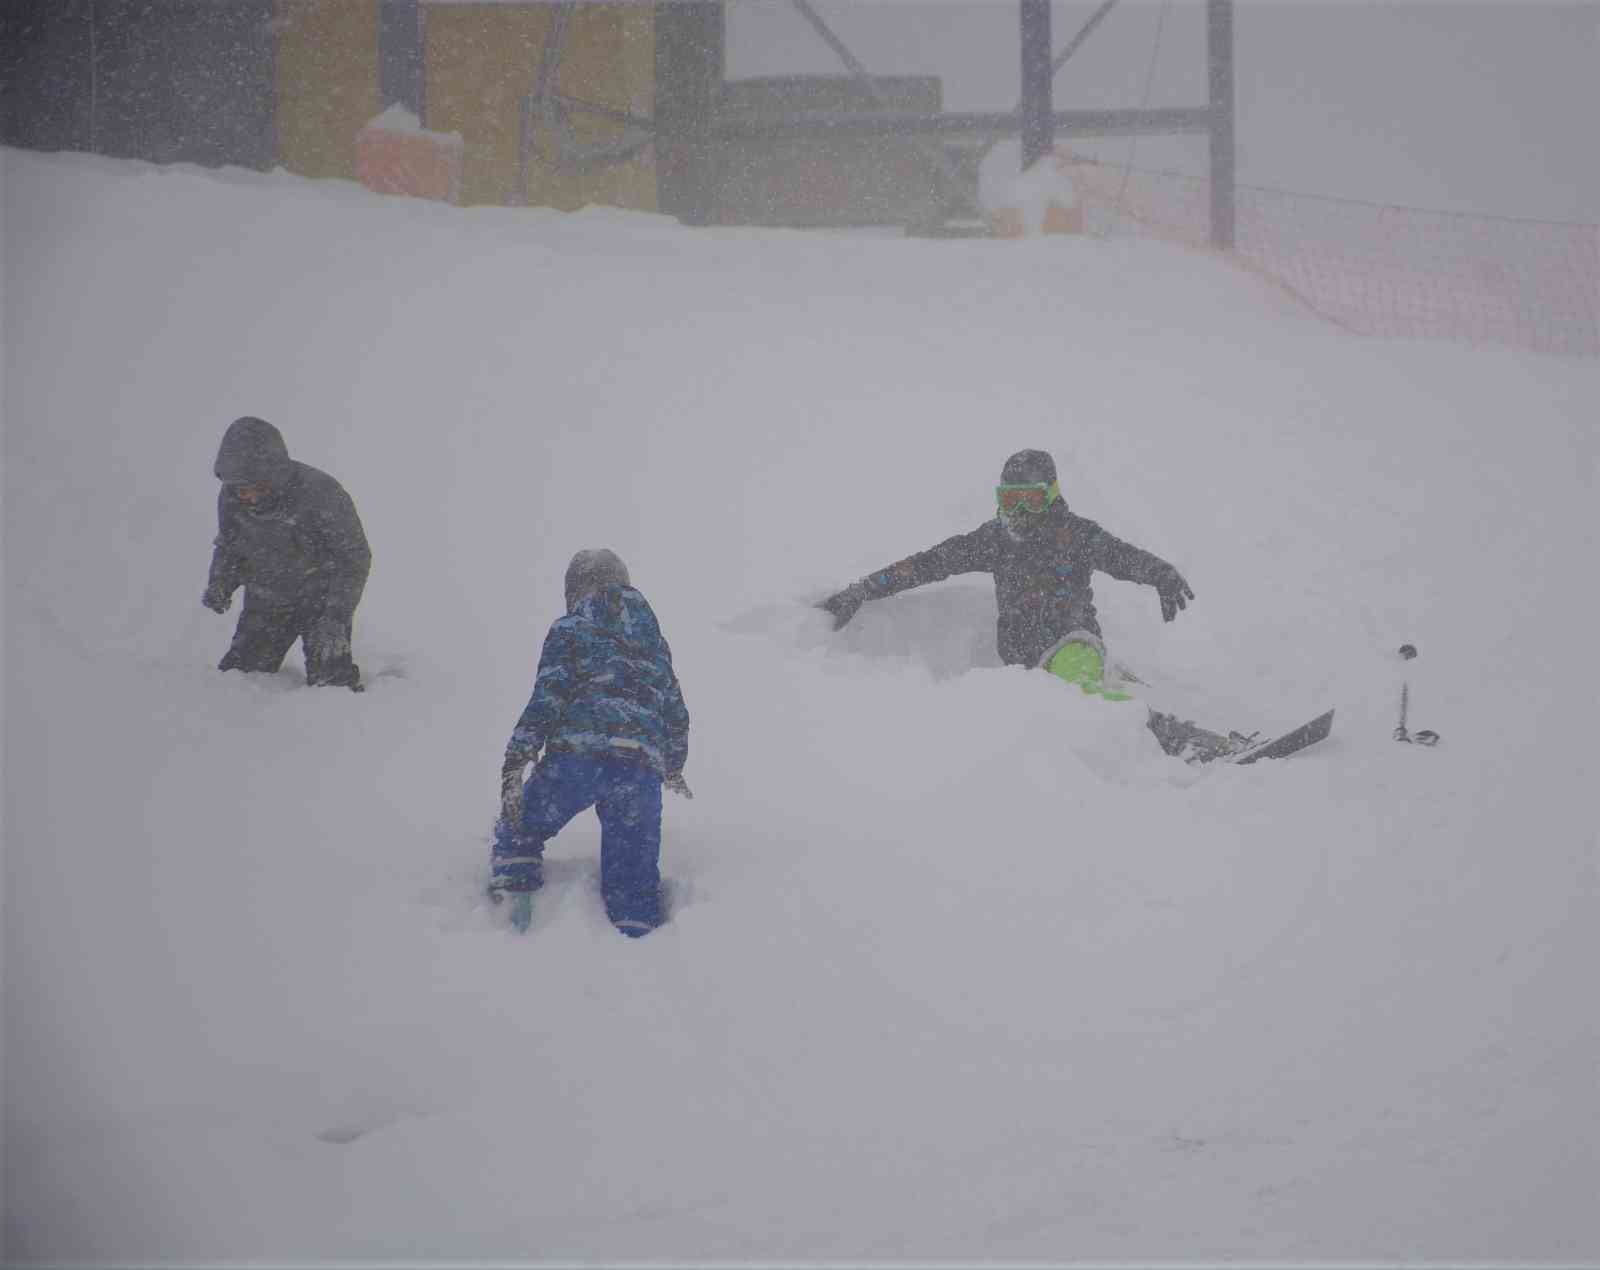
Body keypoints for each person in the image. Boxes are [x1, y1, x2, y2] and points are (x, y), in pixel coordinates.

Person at [819, 448, 1193, 700]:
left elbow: (1122, 556)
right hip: (1023, 661)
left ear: (1050, 494)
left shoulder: (1076, 535)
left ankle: (1179, 743)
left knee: (1097, 705)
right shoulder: (995, 540)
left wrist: (1160, 573)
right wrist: (866, 588)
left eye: (1029, 499)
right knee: (1092, 704)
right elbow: (928, 563)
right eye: (1010, 500)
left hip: (1074, 643)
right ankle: (1129, 703)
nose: (1020, 511)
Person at [491, 549, 692, 937]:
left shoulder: (569, 629)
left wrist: (517, 756)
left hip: (576, 759)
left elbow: (547, 697)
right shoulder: (653, 643)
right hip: (638, 770)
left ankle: (511, 906)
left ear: (574, 588)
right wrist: (674, 764)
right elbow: (675, 710)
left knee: (520, 826)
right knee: (633, 870)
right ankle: (637, 935)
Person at [203, 416, 372, 691]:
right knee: (237, 682)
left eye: (259, 487)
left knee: (332, 687)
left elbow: (354, 557)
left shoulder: (322, 493)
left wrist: (336, 617)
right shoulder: (231, 497)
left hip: (321, 602)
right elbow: (230, 546)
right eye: (243, 489)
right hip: (266, 599)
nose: (250, 497)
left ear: (275, 475)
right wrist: (220, 583)